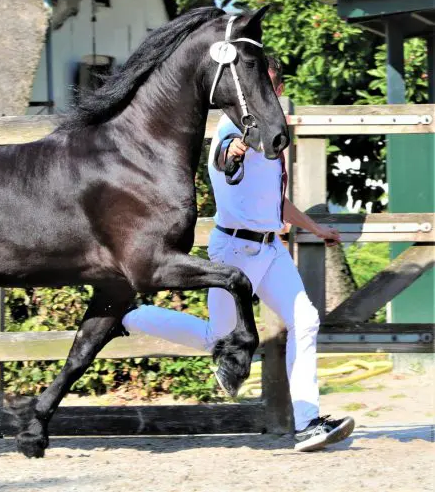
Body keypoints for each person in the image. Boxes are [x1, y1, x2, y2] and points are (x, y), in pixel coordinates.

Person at [122, 56, 356, 452]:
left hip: (271, 248)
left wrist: (316, 229)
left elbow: (276, 202)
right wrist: (242, 146)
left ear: (277, 91)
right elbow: (226, 158)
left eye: (262, 88)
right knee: (218, 337)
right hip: (234, 251)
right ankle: (130, 318)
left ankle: (308, 423)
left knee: (306, 320)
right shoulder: (233, 128)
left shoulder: (273, 140)